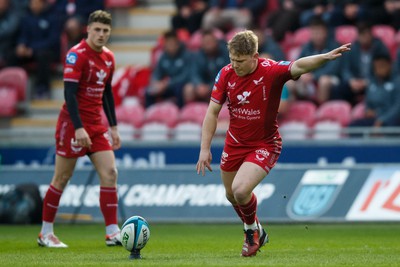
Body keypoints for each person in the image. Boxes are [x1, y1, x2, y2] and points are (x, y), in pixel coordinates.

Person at [196, 30, 350, 257]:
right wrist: (204, 148)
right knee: (231, 195)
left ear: (254, 56)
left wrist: (324, 57)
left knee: (240, 191)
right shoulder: (225, 74)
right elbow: (212, 113)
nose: (234, 65)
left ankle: (251, 233)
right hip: (234, 143)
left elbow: (299, 66)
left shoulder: (271, 71)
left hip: (264, 144)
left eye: (239, 60)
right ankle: (259, 229)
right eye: (231, 59)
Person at [37, 10, 122, 248]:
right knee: (62, 177)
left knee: (110, 173)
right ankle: (45, 233)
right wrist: (78, 127)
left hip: (96, 125)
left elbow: (106, 92)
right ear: (88, 29)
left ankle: (112, 232)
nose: (101, 34)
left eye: (105, 31)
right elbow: (69, 94)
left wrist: (113, 127)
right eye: (97, 30)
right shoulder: (77, 55)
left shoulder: (109, 58)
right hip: (73, 124)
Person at [12, 0, 60, 99]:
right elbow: (23, 35)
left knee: (43, 55)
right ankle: (11, 88)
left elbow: (52, 41)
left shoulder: (53, 17)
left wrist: (32, 49)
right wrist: (21, 45)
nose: (33, 5)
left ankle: (42, 89)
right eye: (31, 3)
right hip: (29, 51)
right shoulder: (26, 17)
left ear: (43, 3)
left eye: (35, 2)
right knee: (11, 55)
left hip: (47, 51)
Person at [349, 53, 400, 131]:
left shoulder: (397, 82)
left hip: (391, 118)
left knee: (391, 126)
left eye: (382, 66)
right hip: (374, 118)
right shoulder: (372, 83)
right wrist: (368, 111)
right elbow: (367, 103)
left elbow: (397, 107)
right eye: (377, 67)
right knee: (353, 127)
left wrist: (382, 119)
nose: (379, 69)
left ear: (390, 65)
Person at [145, 30, 192, 108]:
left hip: (178, 85)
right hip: (165, 86)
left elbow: (186, 76)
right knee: (148, 91)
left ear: (177, 43)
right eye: (168, 43)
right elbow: (157, 72)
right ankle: (150, 113)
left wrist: (168, 83)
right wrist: (156, 82)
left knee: (180, 89)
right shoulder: (163, 56)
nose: (170, 46)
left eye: (172, 43)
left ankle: (180, 113)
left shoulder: (186, 55)